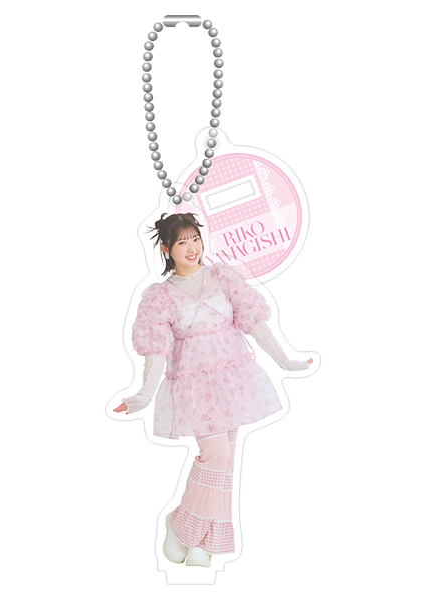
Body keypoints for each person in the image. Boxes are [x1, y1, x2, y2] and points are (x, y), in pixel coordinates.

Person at [114, 212, 314, 567]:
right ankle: (182, 525)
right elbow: (157, 349)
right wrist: (143, 394)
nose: (192, 247)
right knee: (217, 454)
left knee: (225, 462)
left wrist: (286, 360)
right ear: (166, 249)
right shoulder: (161, 296)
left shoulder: (222, 277)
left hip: (234, 380)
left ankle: (203, 545)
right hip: (195, 386)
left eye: (195, 238)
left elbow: (253, 322)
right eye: (182, 242)